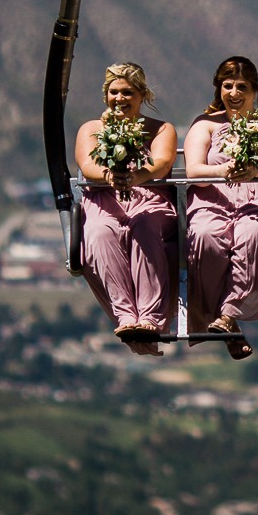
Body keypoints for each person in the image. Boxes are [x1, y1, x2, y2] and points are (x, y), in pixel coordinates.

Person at [183, 55, 258, 360]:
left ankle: (229, 315)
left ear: (255, 91)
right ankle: (222, 320)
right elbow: (193, 170)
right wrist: (226, 169)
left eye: (241, 86)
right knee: (206, 237)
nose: (234, 93)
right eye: (227, 85)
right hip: (214, 200)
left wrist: (255, 171)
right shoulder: (205, 125)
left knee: (252, 233)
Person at [74, 62, 178, 353]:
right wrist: (110, 176)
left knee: (144, 225)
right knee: (98, 232)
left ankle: (150, 315)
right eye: (114, 92)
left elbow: (162, 163)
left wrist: (136, 176)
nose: (120, 99)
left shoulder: (160, 129)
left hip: (149, 197)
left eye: (128, 93)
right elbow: (87, 164)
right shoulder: (93, 129)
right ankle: (125, 313)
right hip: (104, 200)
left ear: (142, 95)